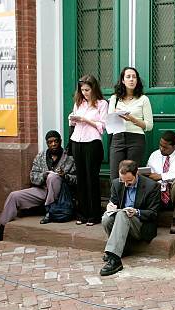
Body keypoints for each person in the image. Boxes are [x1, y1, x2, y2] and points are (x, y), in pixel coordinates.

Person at [0, 131, 76, 243]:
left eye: (56, 141)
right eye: (50, 142)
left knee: (53, 178)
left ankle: (50, 212)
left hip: (60, 195)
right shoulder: (40, 157)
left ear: (60, 141)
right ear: (47, 143)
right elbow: (33, 177)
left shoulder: (69, 159)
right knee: (14, 196)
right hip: (43, 191)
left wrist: (65, 176)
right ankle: (0, 230)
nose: (53, 144)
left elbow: (76, 180)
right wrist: (43, 175)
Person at [100, 160, 160, 276]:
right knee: (106, 218)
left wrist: (136, 212)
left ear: (137, 173)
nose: (126, 184)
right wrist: (110, 206)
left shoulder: (152, 186)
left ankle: (114, 258)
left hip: (141, 224)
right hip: (122, 221)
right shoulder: (117, 183)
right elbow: (114, 203)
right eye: (123, 181)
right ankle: (121, 248)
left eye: (129, 181)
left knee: (123, 214)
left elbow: (153, 213)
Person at [68, 74, 108, 226]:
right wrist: (72, 118)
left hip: (92, 142)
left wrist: (85, 120)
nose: (84, 92)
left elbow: (103, 125)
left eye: (87, 89)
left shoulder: (102, 104)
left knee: (92, 179)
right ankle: (82, 214)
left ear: (94, 88)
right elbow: (73, 122)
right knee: (81, 179)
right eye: (82, 89)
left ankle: (94, 215)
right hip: (77, 141)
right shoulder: (79, 103)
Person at [108, 67, 154, 180]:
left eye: (134, 77)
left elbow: (149, 126)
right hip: (118, 138)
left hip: (136, 139)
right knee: (115, 175)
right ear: (123, 80)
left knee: (131, 175)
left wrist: (133, 119)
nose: (131, 79)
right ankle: (116, 198)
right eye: (128, 77)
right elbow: (109, 120)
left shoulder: (144, 99)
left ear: (137, 80)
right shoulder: (115, 98)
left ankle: (131, 198)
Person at [146, 130, 175, 234]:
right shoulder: (155, 155)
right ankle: (147, 218)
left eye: (165, 147)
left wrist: (161, 176)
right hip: (158, 193)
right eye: (160, 145)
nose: (161, 149)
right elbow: (150, 173)